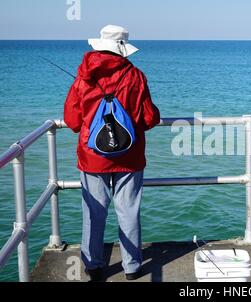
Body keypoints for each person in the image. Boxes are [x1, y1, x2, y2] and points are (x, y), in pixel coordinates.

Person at [64, 25, 160, 280]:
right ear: (123, 48)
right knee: (128, 211)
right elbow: (149, 118)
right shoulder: (136, 76)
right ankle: (132, 267)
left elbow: (72, 121)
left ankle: (94, 265)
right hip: (129, 157)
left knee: (94, 211)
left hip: (92, 157)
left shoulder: (83, 78)